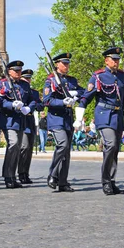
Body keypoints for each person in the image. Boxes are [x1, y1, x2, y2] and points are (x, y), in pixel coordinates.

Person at [76, 47, 124, 195]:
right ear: (106, 60)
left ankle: (112, 181)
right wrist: (79, 117)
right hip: (104, 114)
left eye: (118, 59)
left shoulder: (122, 76)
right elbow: (86, 97)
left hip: (118, 116)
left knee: (115, 150)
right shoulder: (98, 76)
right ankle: (105, 181)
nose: (116, 62)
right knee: (110, 144)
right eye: (113, 59)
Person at [43, 52, 84, 192]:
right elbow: (47, 100)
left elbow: (83, 92)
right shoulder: (50, 80)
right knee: (62, 145)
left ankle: (63, 182)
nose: (66, 65)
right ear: (57, 64)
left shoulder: (72, 80)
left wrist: (75, 95)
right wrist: (62, 102)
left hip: (68, 118)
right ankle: (52, 174)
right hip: (56, 118)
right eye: (64, 63)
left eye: (68, 63)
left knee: (66, 151)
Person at [0, 60, 35, 189]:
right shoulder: (2, 84)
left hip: (21, 121)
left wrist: (29, 108)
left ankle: (12, 176)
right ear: (9, 71)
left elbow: (32, 100)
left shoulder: (25, 85)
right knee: (13, 144)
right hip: (8, 120)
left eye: (20, 70)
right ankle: (8, 176)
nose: (19, 72)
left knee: (17, 148)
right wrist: (11, 105)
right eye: (16, 70)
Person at [18, 69, 43, 185]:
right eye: (25, 78)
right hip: (21, 120)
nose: (28, 80)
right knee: (24, 147)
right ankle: (20, 173)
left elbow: (40, 105)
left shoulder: (34, 92)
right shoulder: (18, 90)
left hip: (30, 120)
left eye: (29, 78)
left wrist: (33, 106)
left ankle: (25, 173)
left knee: (29, 150)